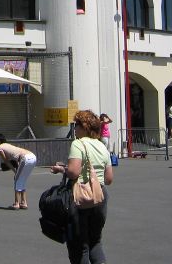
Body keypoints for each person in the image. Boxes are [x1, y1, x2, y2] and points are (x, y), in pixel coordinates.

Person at [52, 109, 114, 264]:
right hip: (100, 195)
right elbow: (108, 179)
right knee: (95, 241)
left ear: (84, 127)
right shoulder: (102, 147)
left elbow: (73, 172)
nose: (74, 128)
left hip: (81, 196)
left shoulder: (78, 144)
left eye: (77, 125)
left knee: (80, 245)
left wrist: (62, 169)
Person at [0, 134, 36, 210]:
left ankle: (17, 203)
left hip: (25, 158)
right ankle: (24, 203)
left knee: (17, 179)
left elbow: (6, 161)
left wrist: (15, 171)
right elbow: (15, 159)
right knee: (22, 180)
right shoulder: (7, 145)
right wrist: (16, 171)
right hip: (33, 157)